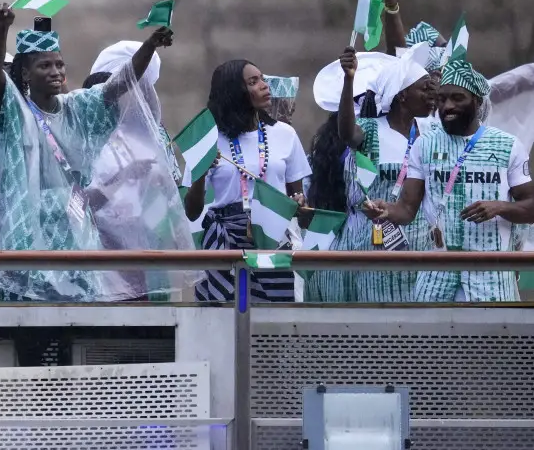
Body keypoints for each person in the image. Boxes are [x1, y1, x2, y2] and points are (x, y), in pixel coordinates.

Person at [0, 3, 171, 301]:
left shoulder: (78, 108)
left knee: (74, 322)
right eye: (45, 66)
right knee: (28, 326)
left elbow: (119, 83)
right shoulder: (14, 112)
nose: (56, 72)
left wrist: (148, 46)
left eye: (59, 64)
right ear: (26, 74)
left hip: (73, 232)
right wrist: (2, 29)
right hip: (27, 233)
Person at [375, 59, 534, 302]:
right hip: (437, 278)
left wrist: (500, 207)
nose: (446, 106)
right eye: (441, 99)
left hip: (490, 278)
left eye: (457, 98)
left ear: (477, 101)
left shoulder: (507, 145)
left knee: (493, 340)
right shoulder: (424, 145)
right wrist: (385, 210)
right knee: (430, 340)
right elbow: (406, 210)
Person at [304, 49, 436, 303]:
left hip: (420, 247)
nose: (432, 96)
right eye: (424, 89)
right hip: (373, 242)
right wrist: (348, 80)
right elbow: (346, 132)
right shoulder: (370, 130)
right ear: (402, 94)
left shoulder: (431, 134)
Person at [183, 60, 311, 303]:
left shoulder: (285, 134)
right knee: (226, 319)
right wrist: (201, 172)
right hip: (226, 240)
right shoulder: (209, 139)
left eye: (262, 79)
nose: (265, 86)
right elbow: (191, 211)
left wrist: (299, 202)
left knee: (275, 322)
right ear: (234, 92)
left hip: (273, 238)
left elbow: (302, 205)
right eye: (254, 82)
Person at [83, 37, 195, 301]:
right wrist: (122, 179)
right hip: (100, 260)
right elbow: (79, 201)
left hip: (148, 262)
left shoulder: (148, 141)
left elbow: (170, 203)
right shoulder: (86, 138)